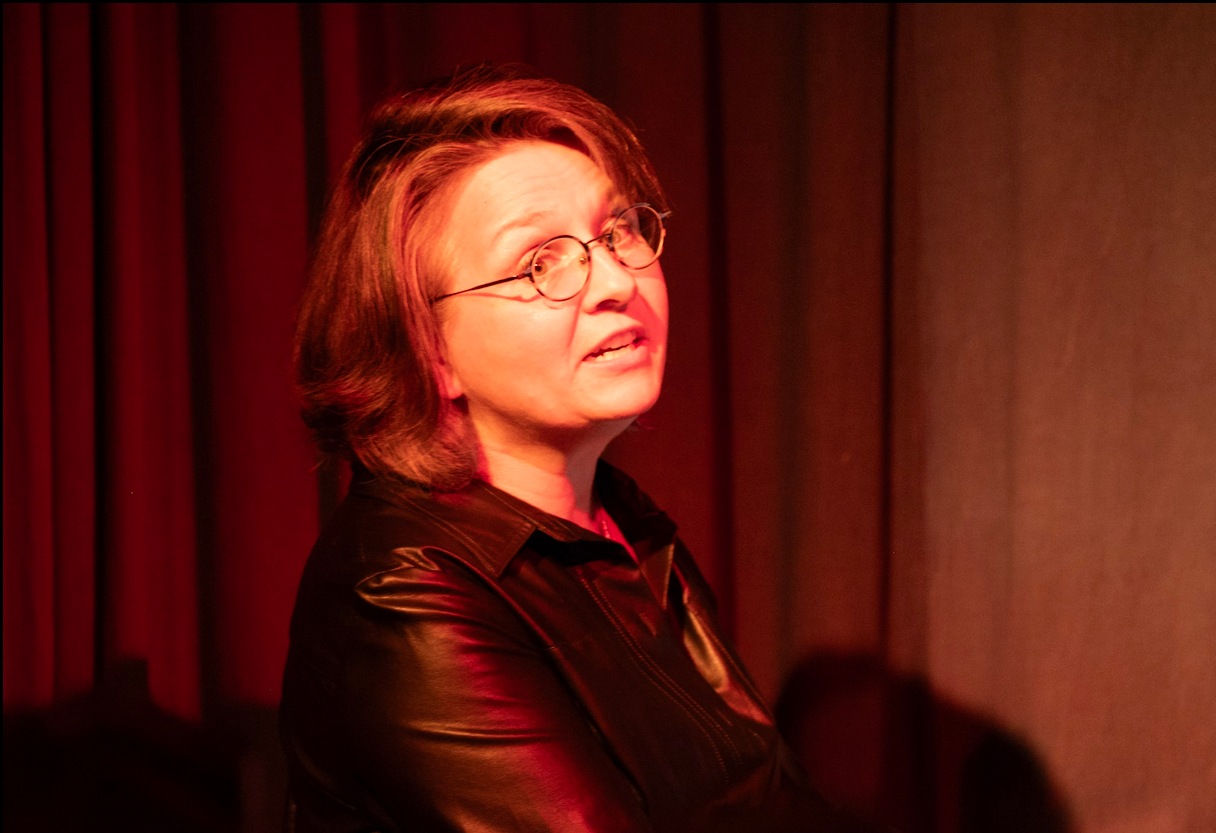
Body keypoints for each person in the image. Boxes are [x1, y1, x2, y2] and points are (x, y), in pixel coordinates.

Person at [281, 65, 870, 833]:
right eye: (539, 262)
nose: (615, 281)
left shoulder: (619, 519)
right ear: (427, 348)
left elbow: (773, 804)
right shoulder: (398, 587)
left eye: (618, 231)